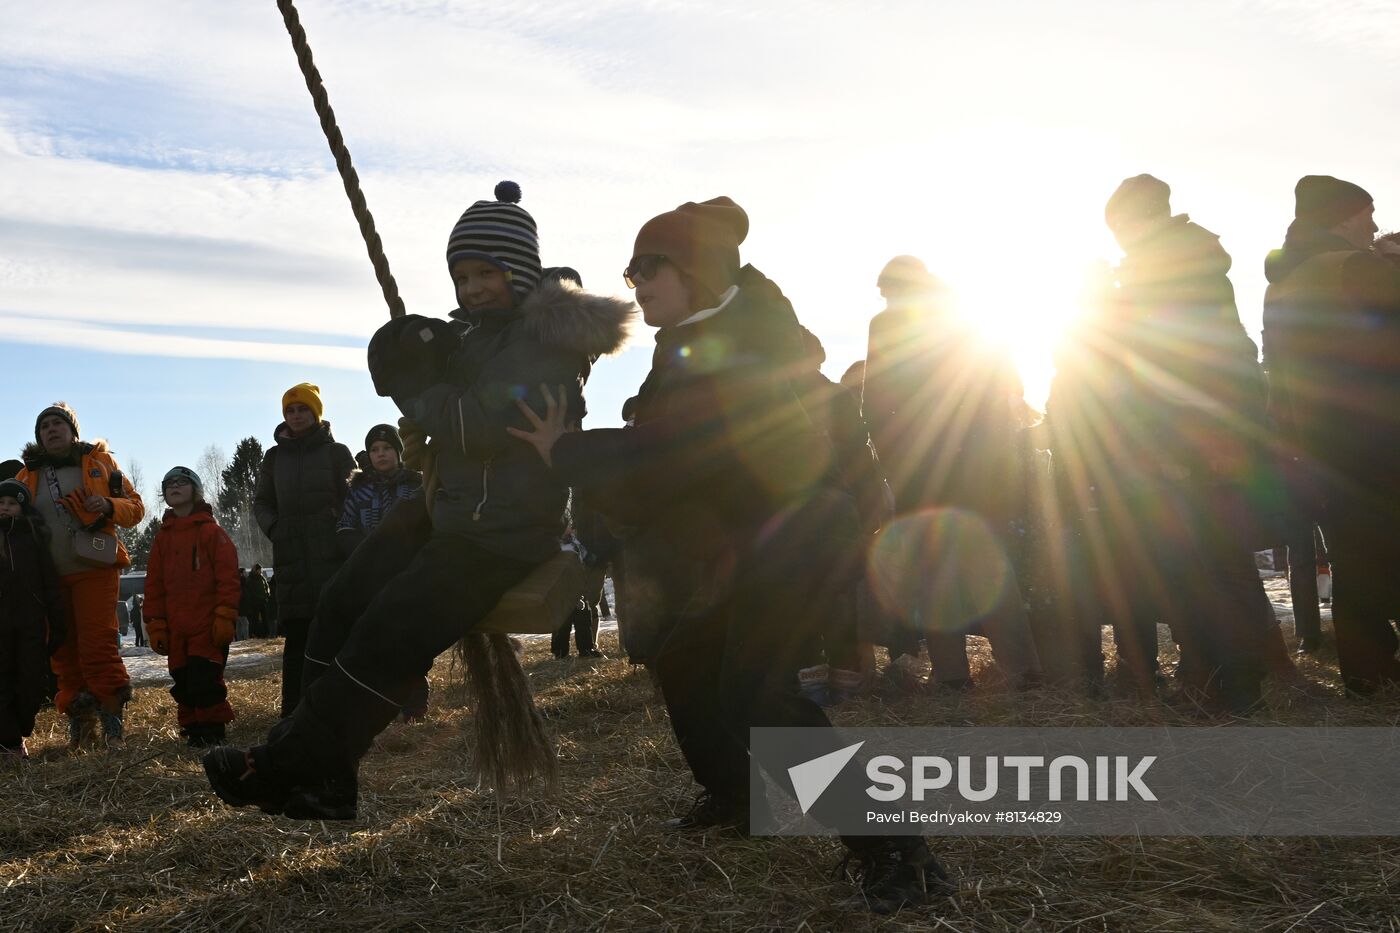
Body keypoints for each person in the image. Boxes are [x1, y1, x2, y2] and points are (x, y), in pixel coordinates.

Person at [507, 198, 953, 914]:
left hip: (801, 535)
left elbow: (675, 450)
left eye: (650, 266)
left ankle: (896, 846)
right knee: (684, 657)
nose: (636, 281)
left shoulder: (747, 340)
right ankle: (739, 792)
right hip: (750, 538)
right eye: (632, 267)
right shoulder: (691, 337)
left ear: (698, 272)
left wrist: (567, 450)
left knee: (762, 696)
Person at [203, 180, 632, 819]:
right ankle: (317, 772)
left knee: (389, 631)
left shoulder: (545, 344)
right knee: (341, 605)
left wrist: (416, 389)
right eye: (462, 275)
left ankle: (289, 765)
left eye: (486, 271)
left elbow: (485, 426)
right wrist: (424, 350)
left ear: (518, 270)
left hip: (500, 531)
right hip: (454, 512)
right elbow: (454, 404)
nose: (472, 287)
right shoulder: (478, 334)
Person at [1090, 174, 1276, 713]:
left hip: (1192, 437)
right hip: (1208, 431)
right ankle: (1222, 680)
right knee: (1213, 565)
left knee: (1207, 568)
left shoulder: (1166, 267)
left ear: (1133, 221)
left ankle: (1228, 687)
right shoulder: (1184, 261)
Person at [862, 256, 1042, 693]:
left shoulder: (887, 325)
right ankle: (1024, 670)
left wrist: (894, 456)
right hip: (979, 471)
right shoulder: (966, 319)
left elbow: (875, 400)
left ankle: (953, 677)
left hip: (923, 470)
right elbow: (1010, 382)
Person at [1262, 175, 1400, 695]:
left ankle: (1369, 676)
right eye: (1369, 213)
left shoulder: (1284, 284)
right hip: (1381, 438)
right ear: (1346, 213)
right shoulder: (1354, 267)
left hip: (1321, 448)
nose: (1373, 224)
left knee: (1356, 566)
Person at [16, 402, 144, 747]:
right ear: (38, 437)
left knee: (98, 645)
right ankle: (81, 725)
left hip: (94, 571)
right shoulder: (26, 477)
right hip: (50, 578)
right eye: (44, 427)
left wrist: (108, 506)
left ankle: (113, 722)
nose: (51, 430)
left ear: (73, 431)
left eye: (58, 424)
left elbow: (136, 508)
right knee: (63, 651)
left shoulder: (100, 464)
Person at [253, 383, 355, 717]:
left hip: (331, 557)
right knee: (297, 641)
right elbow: (263, 502)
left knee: (334, 635)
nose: (296, 416)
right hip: (291, 559)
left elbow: (353, 497)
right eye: (290, 411)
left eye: (303, 410)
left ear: (316, 413)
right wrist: (275, 529)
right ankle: (293, 716)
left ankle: (338, 712)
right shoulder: (274, 457)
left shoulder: (336, 453)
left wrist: (336, 524)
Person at [144, 467, 240, 747]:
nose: (174, 487)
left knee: (205, 678)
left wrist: (225, 615)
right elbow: (155, 584)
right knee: (182, 678)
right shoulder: (163, 538)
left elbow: (228, 578)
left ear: (195, 490)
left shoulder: (212, 532)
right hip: (176, 627)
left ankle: (212, 729)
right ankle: (193, 727)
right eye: (169, 484)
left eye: (182, 482)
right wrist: (156, 624)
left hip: (207, 624)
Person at [0, 479, 64, 759]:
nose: (5, 508)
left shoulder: (35, 538)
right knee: (1, 680)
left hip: (31, 622)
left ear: (23, 509)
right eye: (0, 503)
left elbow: (50, 581)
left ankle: (20, 727)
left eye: (12, 503)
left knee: (30, 681)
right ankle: (9, 742)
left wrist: (57, 619)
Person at [335, 424, 422, 557]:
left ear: (399, 452)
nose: (381, 454)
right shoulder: (359, 489)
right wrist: (364, 549)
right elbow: (346, 525)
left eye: (387, 448)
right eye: (374, 450)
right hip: (369, 561)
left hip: (409, 561)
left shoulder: (416, 485)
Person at [243, 565, 269, 637]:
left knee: (264, 618)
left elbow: (267, 587)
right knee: (255, 619)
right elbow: (251, 592)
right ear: (256, 570)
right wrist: (261, 597)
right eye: (259, 570)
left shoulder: (262, 578)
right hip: (255, 603)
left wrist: (267, 595)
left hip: (262, 602)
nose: (260, 571)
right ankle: (256, 633)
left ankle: (265, 633)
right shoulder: (250, 579)